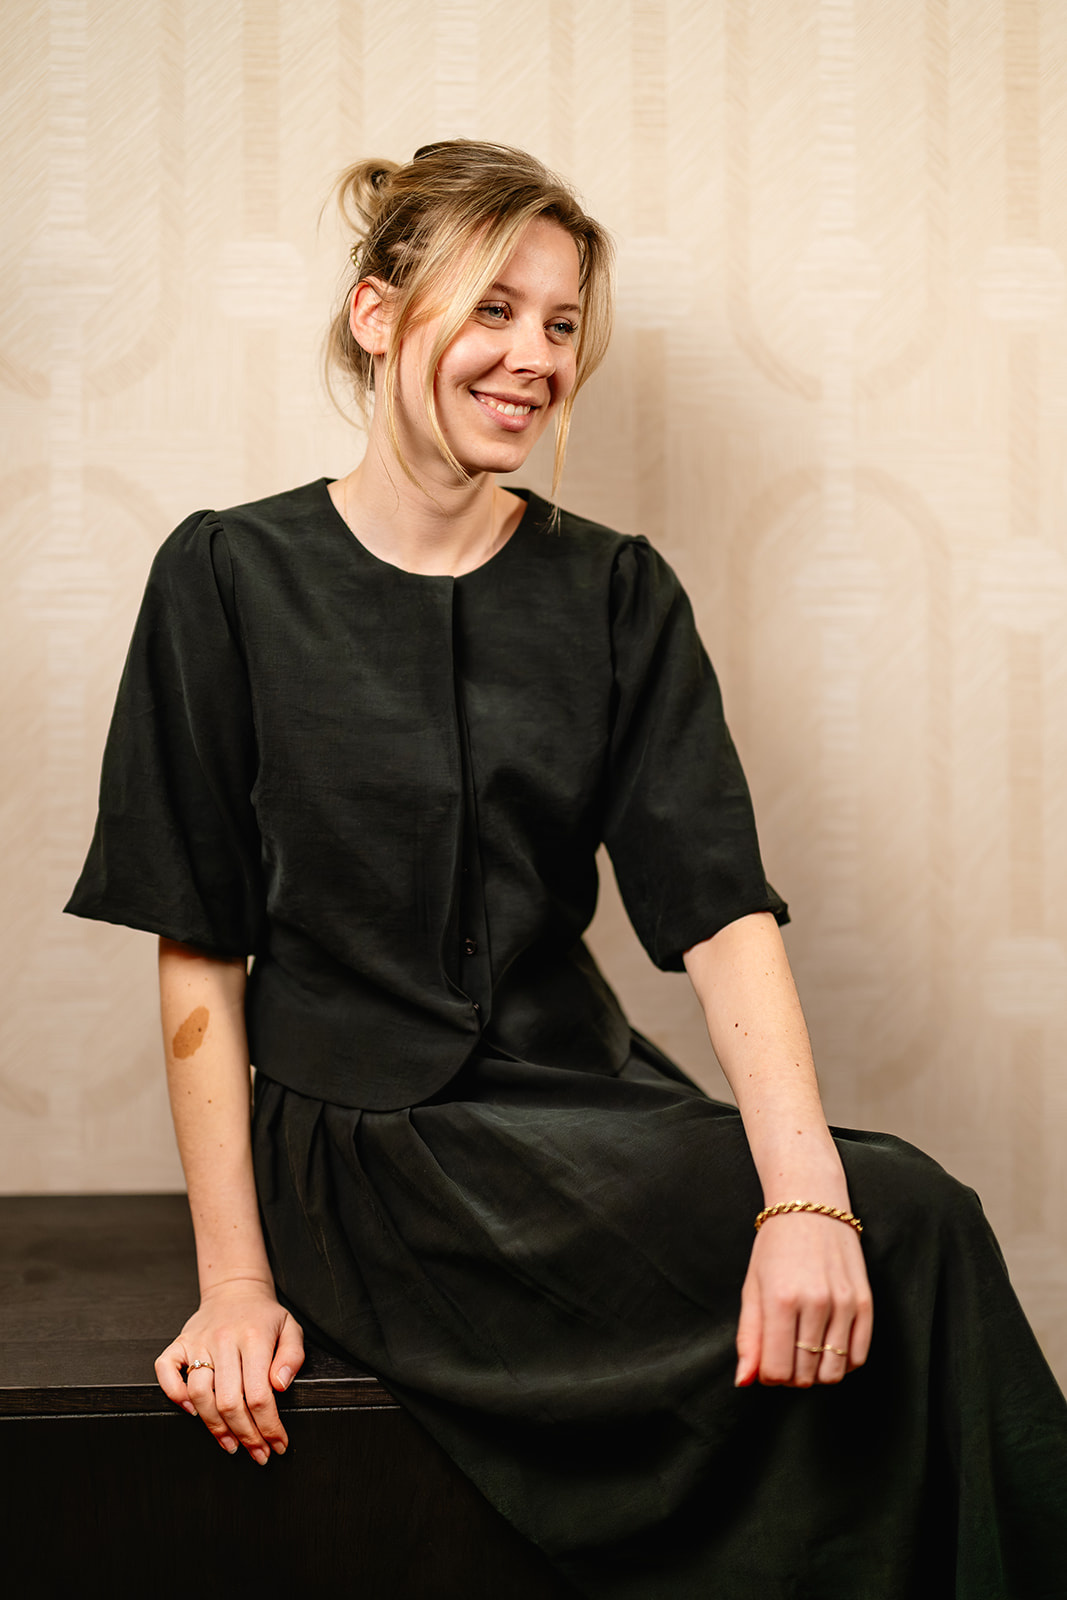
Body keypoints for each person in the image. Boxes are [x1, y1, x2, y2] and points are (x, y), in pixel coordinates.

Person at [67, 140, 1067, 1597]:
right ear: (375, 314)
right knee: (917, 1217)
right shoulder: (224, 574)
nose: (535, 357)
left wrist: (803, 1199)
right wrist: (235, 1283)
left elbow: (718, 908)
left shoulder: (614, 587)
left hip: (581, 1100)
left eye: (561, 322)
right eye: (493, 309)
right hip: (367, 1151)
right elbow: (199, 954)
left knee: (899, 1215)